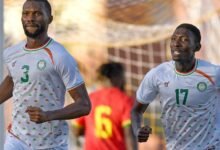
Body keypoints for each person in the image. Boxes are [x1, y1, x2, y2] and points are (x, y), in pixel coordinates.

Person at [0, 0, 91, 149]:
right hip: (16, 139)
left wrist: (49, 115)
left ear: (50, 19)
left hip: (49, 143)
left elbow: (84, 105)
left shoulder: (60, 56)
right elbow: (12, 82)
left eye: (37, 13)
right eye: (26, 13)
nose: (30, 18)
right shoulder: (12, 53)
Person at [131, 23, 220, 150]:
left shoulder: (214, 73)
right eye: (173, 39)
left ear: (197, 47)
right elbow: (136, 110)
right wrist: (137, 130)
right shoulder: (158, 74)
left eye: (184, 39)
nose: (176, 44)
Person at [72, 62, 137, 150]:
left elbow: (76, 131)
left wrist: (93, 131)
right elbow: (129, 135)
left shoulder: (90, 98)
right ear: (117, 78)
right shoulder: (126, 100)